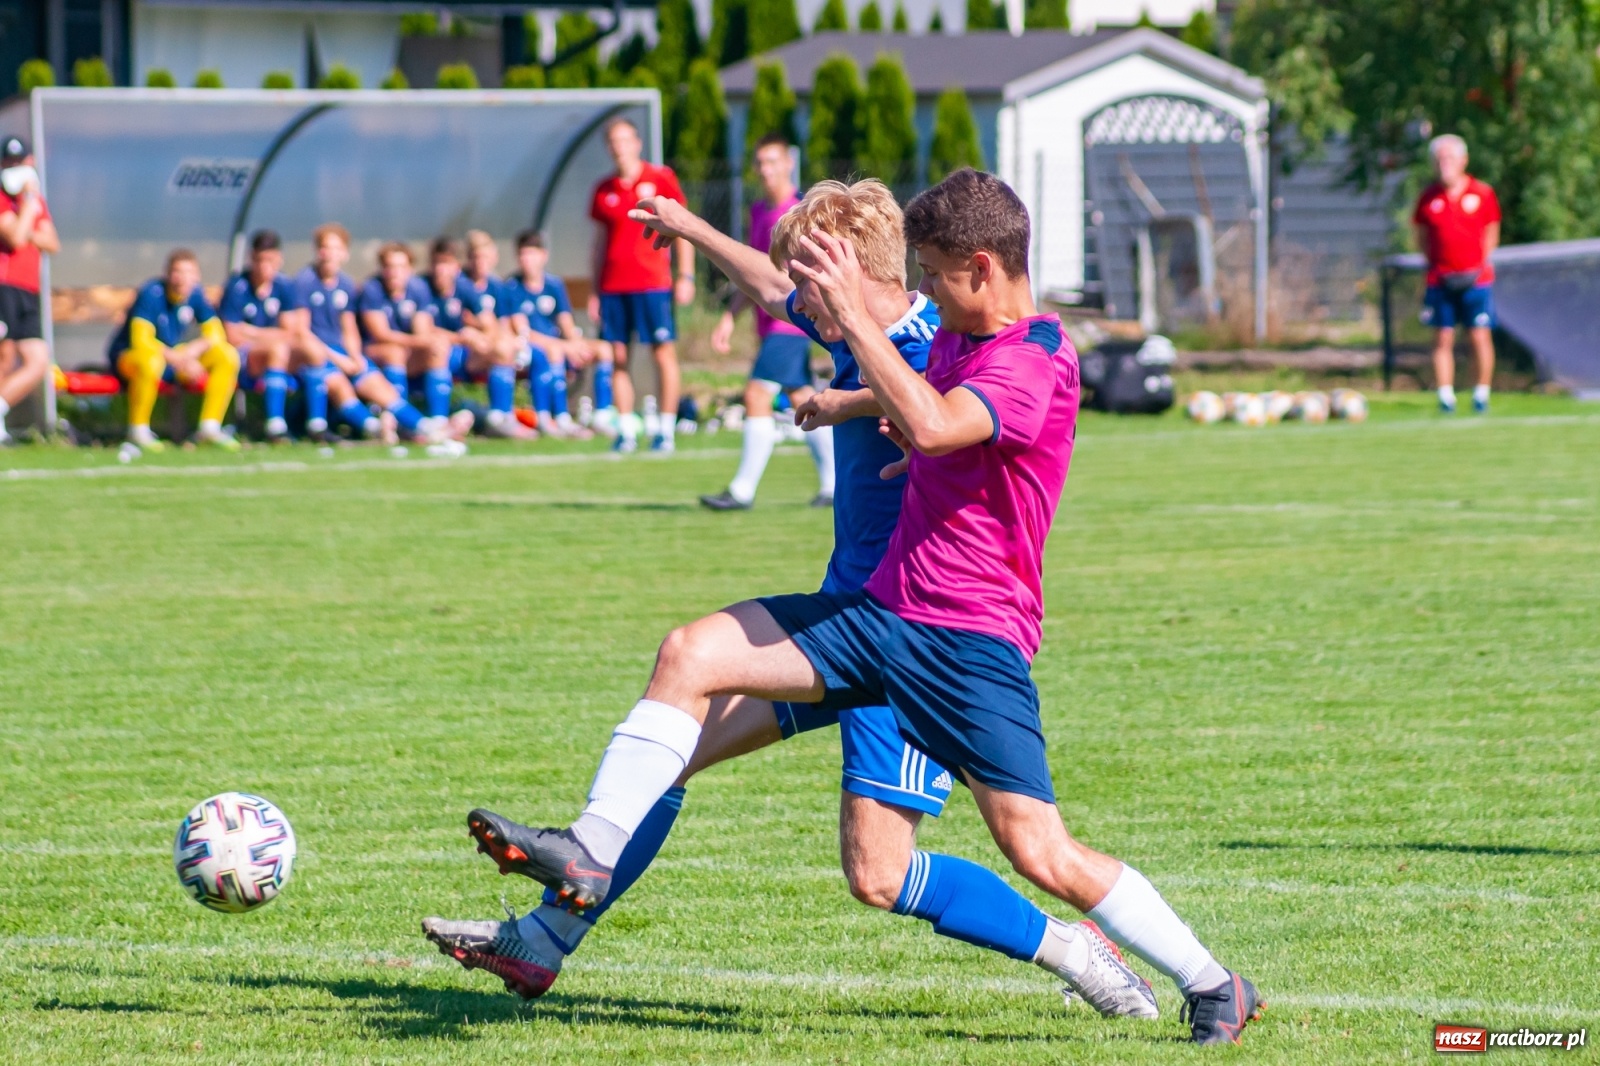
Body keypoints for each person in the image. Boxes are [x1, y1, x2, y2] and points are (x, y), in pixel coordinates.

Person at [421, 178, 1174, 1031]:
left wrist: (846, 399)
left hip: (911, 643)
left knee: (879, 874)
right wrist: (689, 227)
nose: (795, 305)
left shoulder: (937, 341)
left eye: (808, 285)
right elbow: (770, 287)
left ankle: (1072, 949)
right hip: (838, 625)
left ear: (849, 272)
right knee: (671, 743)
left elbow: (937, 408)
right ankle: (544, 938)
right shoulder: (858, 325)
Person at [701, 134, 835, 511]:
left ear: (789, 163)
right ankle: (833, 485)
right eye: (760, 162)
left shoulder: (799, 213)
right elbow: (754, 274)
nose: (765, 169)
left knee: (757, 394)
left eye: (772, 161)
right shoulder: (759, 211)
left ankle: (741, 490)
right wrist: (730, 316)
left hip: (792, 320)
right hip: (772, 321)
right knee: (803, 398)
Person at [588, 118, 694, 453]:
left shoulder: (660, 179)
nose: (619, 147)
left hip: (652, 284)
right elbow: (599, 243)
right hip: (613, 287)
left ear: (637, 143)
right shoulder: (604, 189)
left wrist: (686, 275)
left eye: (625, 140)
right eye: (613, 141)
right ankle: (626, 431)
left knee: (662, 353)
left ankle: (665, 430)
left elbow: (683, 227)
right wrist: (594, 290)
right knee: (618, 357)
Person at [290, 223, 447, 443]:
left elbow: (349, 328)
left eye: (336, 248)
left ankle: (423, 427)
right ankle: (374, 428)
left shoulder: (345, 283)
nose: (330, 254)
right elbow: (301, 332)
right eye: (325, 248)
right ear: (317, 251)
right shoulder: (304, 282)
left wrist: (354, 356)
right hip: (315, 355)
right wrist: (339, 359)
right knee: (339, 384)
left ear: (345, 253)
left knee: (375, 383)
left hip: (343, 353)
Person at [110, 248, 240, 452]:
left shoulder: (196, 294)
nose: (182, 278)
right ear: (168, 274)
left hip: (172, 359)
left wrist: (192, 351)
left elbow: (217, 334)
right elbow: (141, 340)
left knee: (227, 355)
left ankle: (209, 428)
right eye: (177, 272)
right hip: (131, 357)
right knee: (151, 361)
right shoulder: (151, 293)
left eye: (189, 273)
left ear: (197, 276)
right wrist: (179, 359)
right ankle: (138, 430)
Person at [1413, 134, 1500, 415]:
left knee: (1480, 336)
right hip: (1440, 279)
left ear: (1463, 160)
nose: (1444, 164)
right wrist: (1435, 265)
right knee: (1442, 337)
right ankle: (1445, 396)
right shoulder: (1428, 198)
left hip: (1476, 279)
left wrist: (1478, 265)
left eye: (1449, 158)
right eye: (1439, 159)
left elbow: (1491, 233)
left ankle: (1481, 394)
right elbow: (1421, 237)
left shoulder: (1482, 193)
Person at [503, 230, 608, 439]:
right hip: (530, 348)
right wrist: (562, 346)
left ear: (543, 256)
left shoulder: (554, 285)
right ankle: (558, 417)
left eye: (531, 254)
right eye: (522, 254)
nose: (526, 260)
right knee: (554, 351)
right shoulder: (512, 286)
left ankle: (603, 416)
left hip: (558, 345)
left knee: (604, 349)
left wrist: (576, 345)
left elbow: (566, 322)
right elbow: (522, 331)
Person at [425, 236, 533, 439]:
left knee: (502, 349)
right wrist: (461, 337)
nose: (441, 270)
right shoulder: (421, 287)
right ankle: (437, 423)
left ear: (456, 267)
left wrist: (479, 335)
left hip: (462, 354)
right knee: (437, 349)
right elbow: (423, 331)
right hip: (432, 353)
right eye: (437, 263)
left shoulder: (465, 287)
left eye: (446, 264)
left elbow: (490, 325)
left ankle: (500, 418)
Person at [219, 230, 304, 442]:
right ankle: (275, 425)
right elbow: (232, 336)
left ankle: (314, 423)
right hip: (241, 358)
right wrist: (273, 337)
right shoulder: (237, 286)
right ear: (251, 258)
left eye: (270, 260)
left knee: (311, 358)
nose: (264, 266)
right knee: (278, 350)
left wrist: (251, 331)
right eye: (259, 260)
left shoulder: (284, 286)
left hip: (276, 356)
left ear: (279, 259)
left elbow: (290, 332)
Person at [0, 136, 56, 446]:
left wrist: (28, 215)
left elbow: (52, 242)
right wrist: (27, 208)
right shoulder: (6, 198)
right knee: (4, 357)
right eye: (9, 162)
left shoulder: (35, 201)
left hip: (28, 290)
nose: (15, 167)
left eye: (19, 161)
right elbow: (17, 238)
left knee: (38, 360)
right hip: (4, 286)